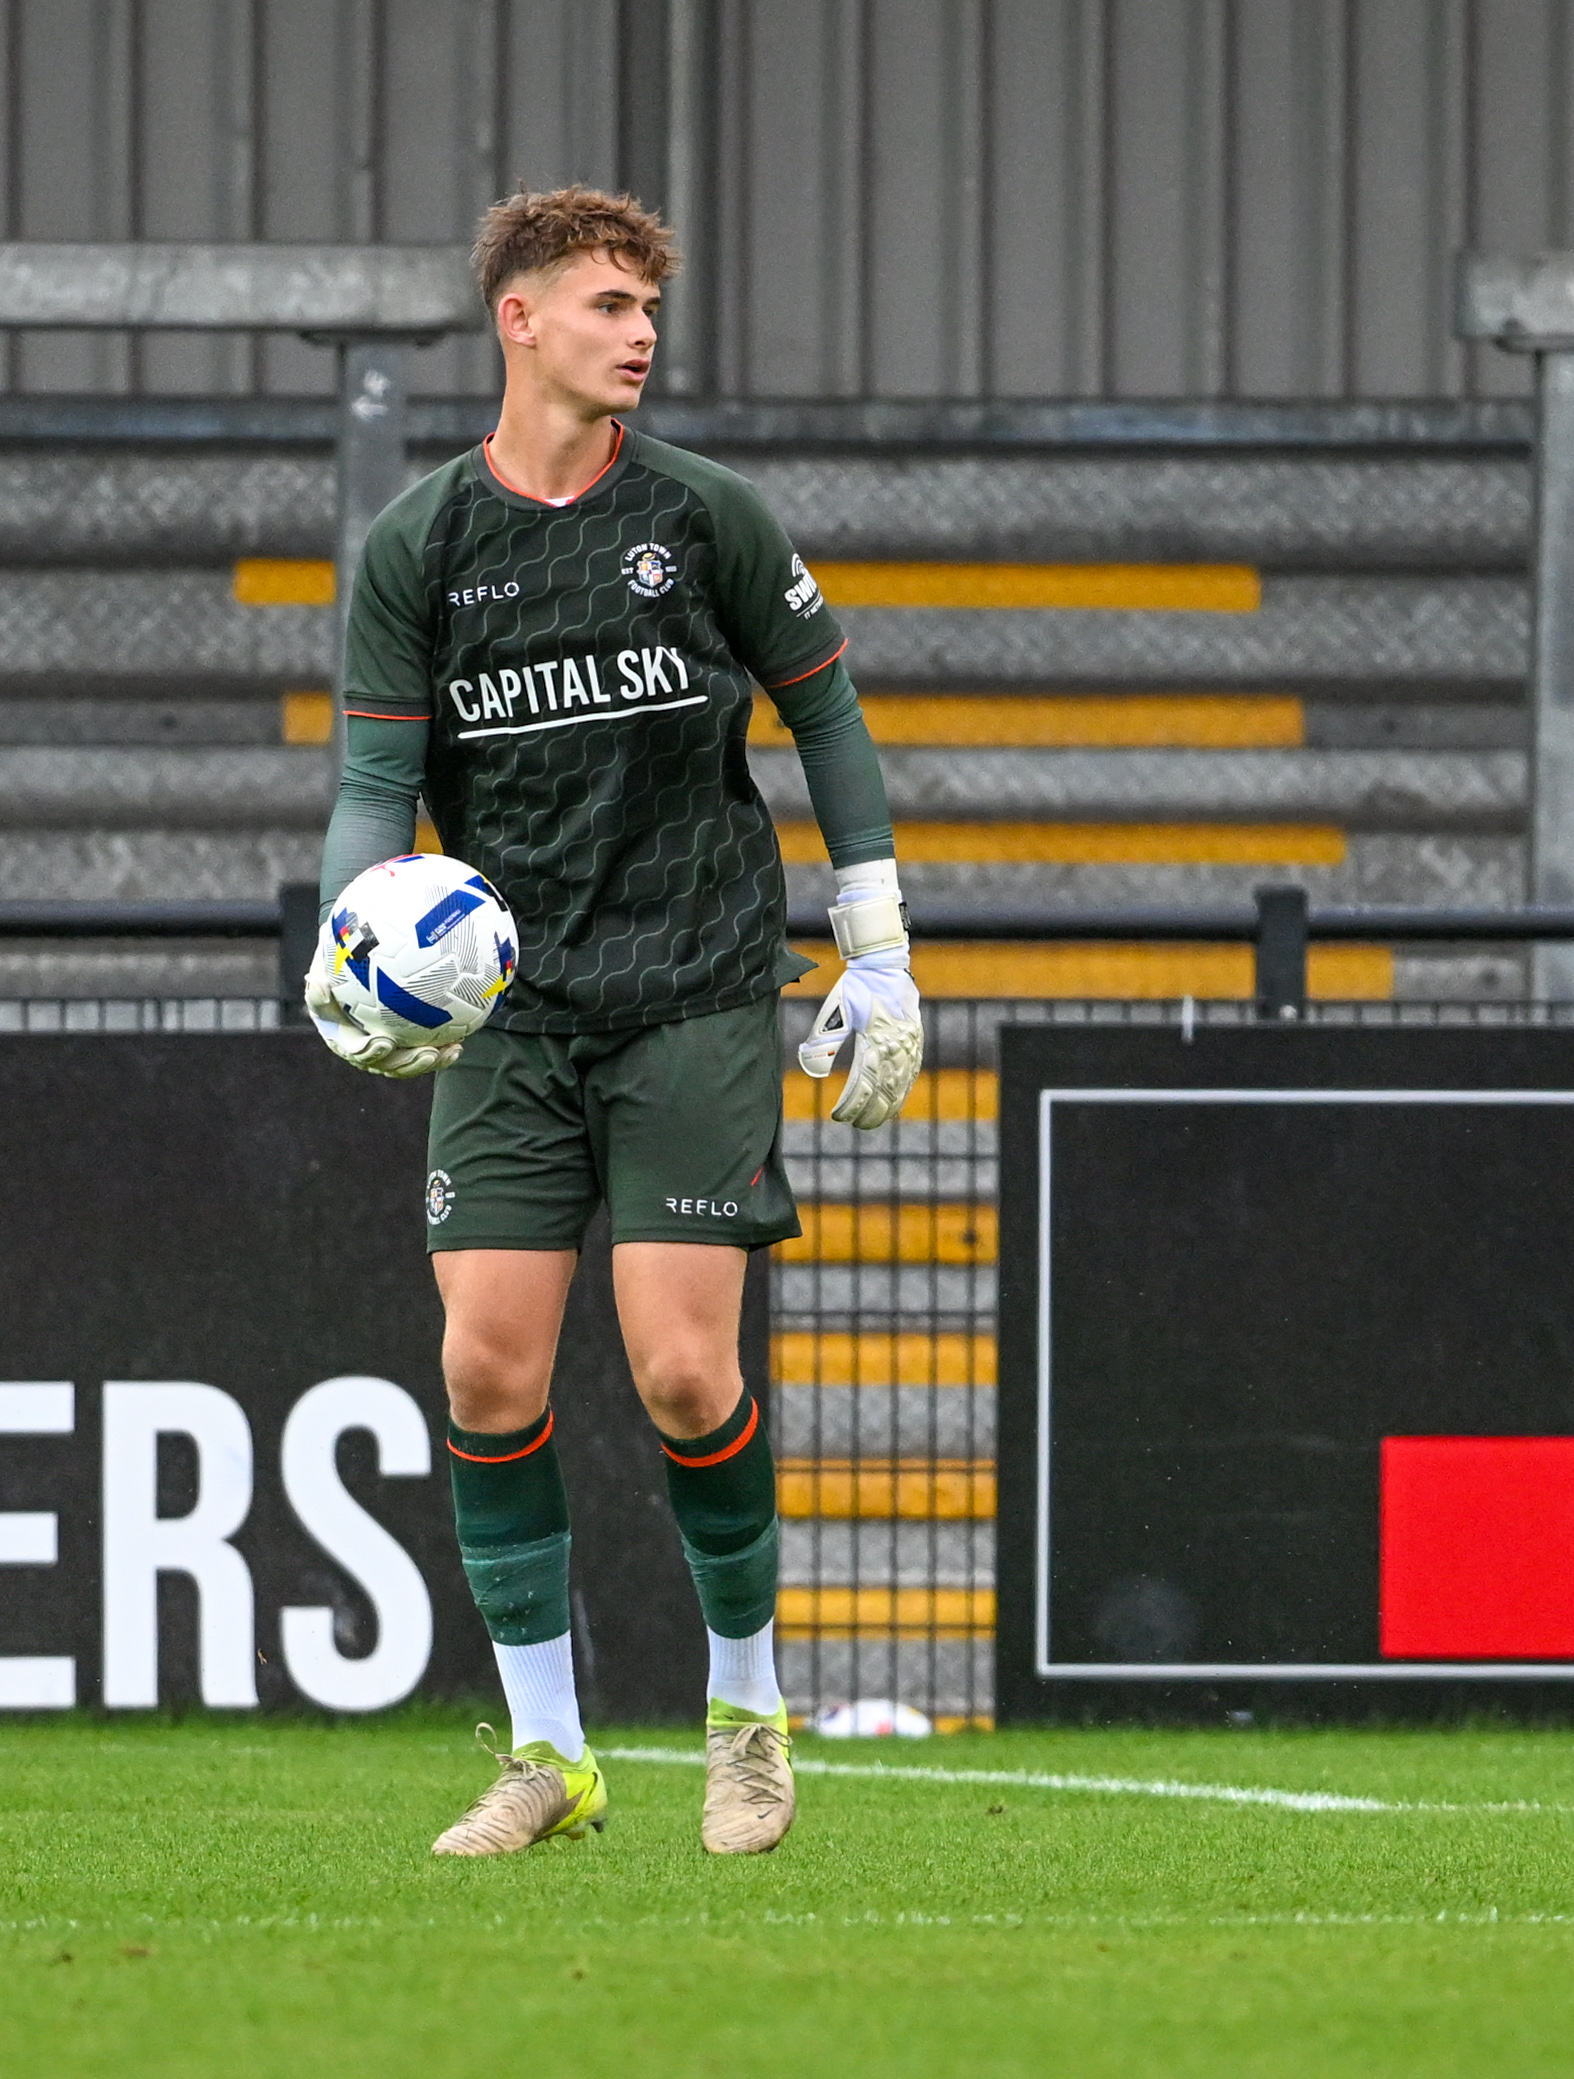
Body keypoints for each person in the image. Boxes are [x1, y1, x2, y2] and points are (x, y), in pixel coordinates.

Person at [305, 188, 921, 1858]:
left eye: (646, 305)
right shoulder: (420, 544)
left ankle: (744, 1717)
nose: (638, 331)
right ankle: (547, 1753)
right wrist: (348, 934)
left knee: (682, 1367)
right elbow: (373, 782)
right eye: (605, 303)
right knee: (482, 1364)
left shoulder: (704, 515)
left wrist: (873, 947)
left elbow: (826, 714)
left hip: (692, 983)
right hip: (508, 1013)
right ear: (517, 320)